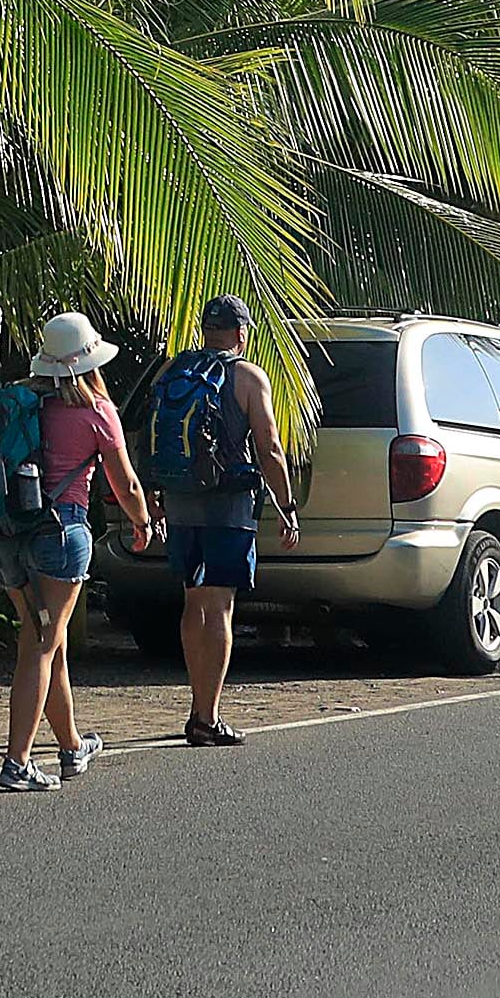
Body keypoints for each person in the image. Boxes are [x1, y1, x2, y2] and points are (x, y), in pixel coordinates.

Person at [0, 312, 157, 791]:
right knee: (41, 646)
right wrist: (141, 521)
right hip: (60, 534)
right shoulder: (95, 411)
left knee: (50, 640)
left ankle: (70, 747)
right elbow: (124, 481)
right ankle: (17, 761)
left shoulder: (19, 403)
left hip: (10, 537)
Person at [150, 296, 302, 745]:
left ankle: (198, 706)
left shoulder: (172, 371)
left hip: (180, 504)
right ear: (242, 333)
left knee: (193, 603)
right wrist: (287, 506)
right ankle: (206, 716)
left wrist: (156, 496)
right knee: (220, 608)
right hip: (228, 508)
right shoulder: (248, 377)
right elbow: (270, 449)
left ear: (204, 330)